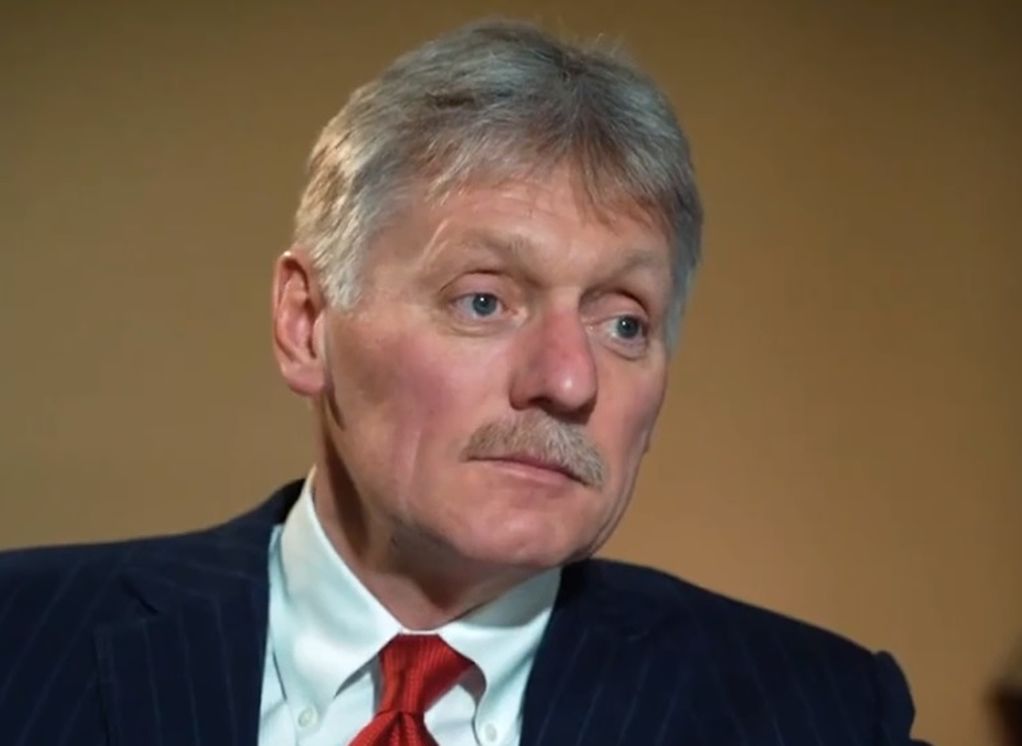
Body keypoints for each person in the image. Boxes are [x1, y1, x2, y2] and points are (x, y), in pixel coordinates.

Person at [0, 19, 928, 746]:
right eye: (483, 302)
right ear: (307, 324)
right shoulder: (22, 642)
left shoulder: (819, 713)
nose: (568, 380)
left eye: (623, 322)